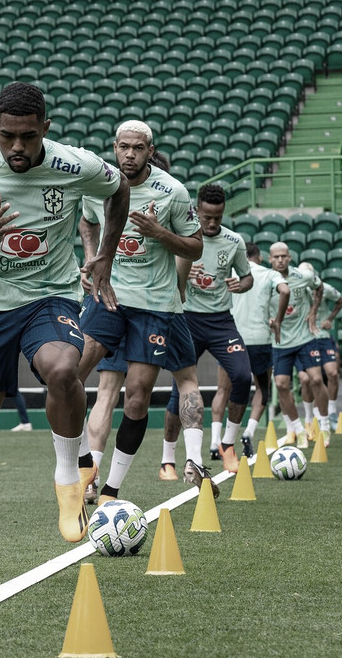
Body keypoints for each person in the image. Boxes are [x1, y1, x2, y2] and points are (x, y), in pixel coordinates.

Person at [0, 82, 129, 581]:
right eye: (7, 137)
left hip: (51, 296)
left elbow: (119, 189)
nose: (17, 147)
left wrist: (103, 256)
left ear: (45, 128)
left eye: (27, 137)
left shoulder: (74, 164)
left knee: (64, 368)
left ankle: (67, 477)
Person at [74, 120, 204, 505]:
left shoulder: (172, 192)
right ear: (115, 147)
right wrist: (93, 258)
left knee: (136, 397)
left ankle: (111, 487)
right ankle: (81, 467)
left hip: (153, 304)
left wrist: (159, 233)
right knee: (68, 375)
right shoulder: (100, 182)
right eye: (123, 147)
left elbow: (195, 247)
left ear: (150, 150)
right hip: (108, 294)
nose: (129, 154)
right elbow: (87, 220)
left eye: (137, 148)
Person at [162, 184, 252, 474]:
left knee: (242, 375)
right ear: (197, 211)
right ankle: (167, 459)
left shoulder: (234, 241)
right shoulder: (184, 237)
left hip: (221, 321)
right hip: (186, 319)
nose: (212, 223)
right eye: (207, 217)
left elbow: (247, 277)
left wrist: (241, 285)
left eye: (218, 217)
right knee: (181, 389)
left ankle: (227, 445)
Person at [269, 242, 329, 448]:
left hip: (304, 338)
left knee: (315, 379)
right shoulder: (267, 280)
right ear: (270, 260)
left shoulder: (303, 276)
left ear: (289, 258)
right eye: (276, 257)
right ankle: (297, 429)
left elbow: (319, 287)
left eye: (283, 256)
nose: (280, 260)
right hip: (281, 342)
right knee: (281, 384)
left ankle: (325, 425)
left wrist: (313, 311)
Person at [229, 243, 279, 454]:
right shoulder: (267, 274)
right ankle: (249, 431)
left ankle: (219, 442)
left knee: (225, 390)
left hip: (231, 338)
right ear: (258, 257)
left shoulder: (229, 273)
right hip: (259, 338)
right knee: (262, 390)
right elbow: (283, 292)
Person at [297, 263, 342, 431]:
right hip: (304, 338)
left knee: (332, 373)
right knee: (306, 379)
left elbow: (340, 300)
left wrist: (330, 319)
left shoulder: (325, 288)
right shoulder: (296, 288)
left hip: (323, 337)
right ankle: (309, 417)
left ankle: (331, 412)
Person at [82, 342, 127, 503]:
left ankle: (90, 479)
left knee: (106, 395)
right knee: (139, 397)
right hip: (153, 322)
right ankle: (192, 462)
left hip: (116, 319)